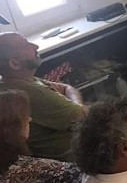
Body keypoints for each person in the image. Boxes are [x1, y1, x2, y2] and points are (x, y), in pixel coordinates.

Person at [0, 33, 84, 161]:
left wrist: (72, 101)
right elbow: (84, 115)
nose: (35, 45)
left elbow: (66, 88)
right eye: (25, 45)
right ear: (14, 63)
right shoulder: (28, 91)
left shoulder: (20, 79)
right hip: (76, 158)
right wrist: (77, 105)